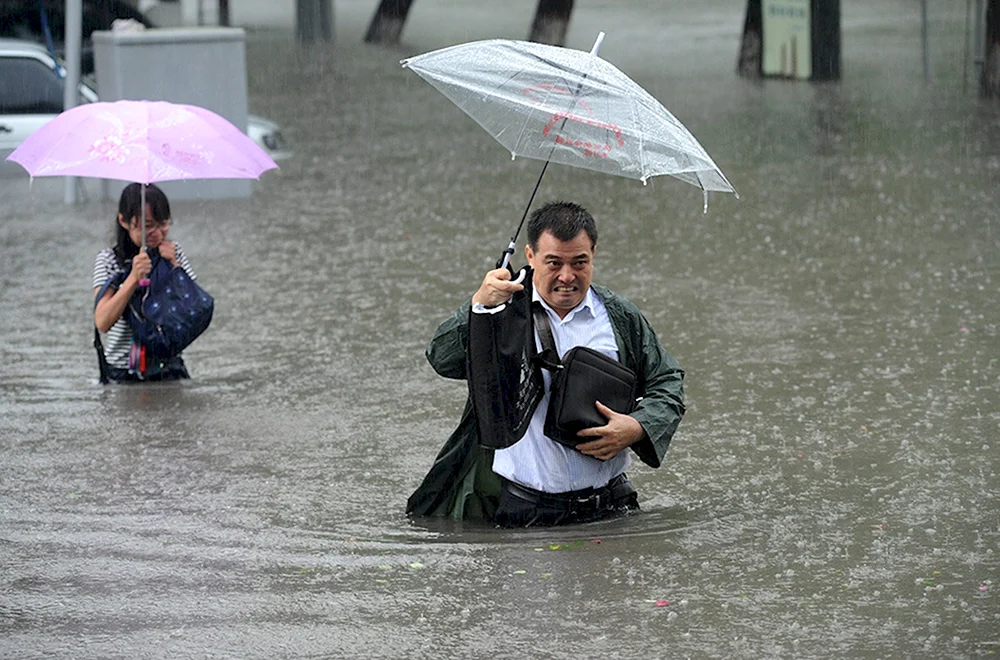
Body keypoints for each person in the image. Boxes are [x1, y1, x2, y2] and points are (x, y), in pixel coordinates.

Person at [407, 201, 685, 527]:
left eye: (579, 262)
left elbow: (668, 381)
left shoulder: (619, 316)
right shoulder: (500, 313)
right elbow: (441, 357)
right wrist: (477, 307)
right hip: (527, 512)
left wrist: (636, 428)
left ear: (594, 253)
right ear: (530, 256)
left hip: (612, 508)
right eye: (553, 263)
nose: (567, 276)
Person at [91, 183, 197, 383]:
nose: (157, 233)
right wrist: (133, 278)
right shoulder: (108, 260)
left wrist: (174, 267)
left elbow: (192, 310)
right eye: (147, 226)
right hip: (123, 373)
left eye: (163, 223)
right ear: (123, 220)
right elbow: (103, 321)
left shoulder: (174, 253)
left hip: (169, 367)